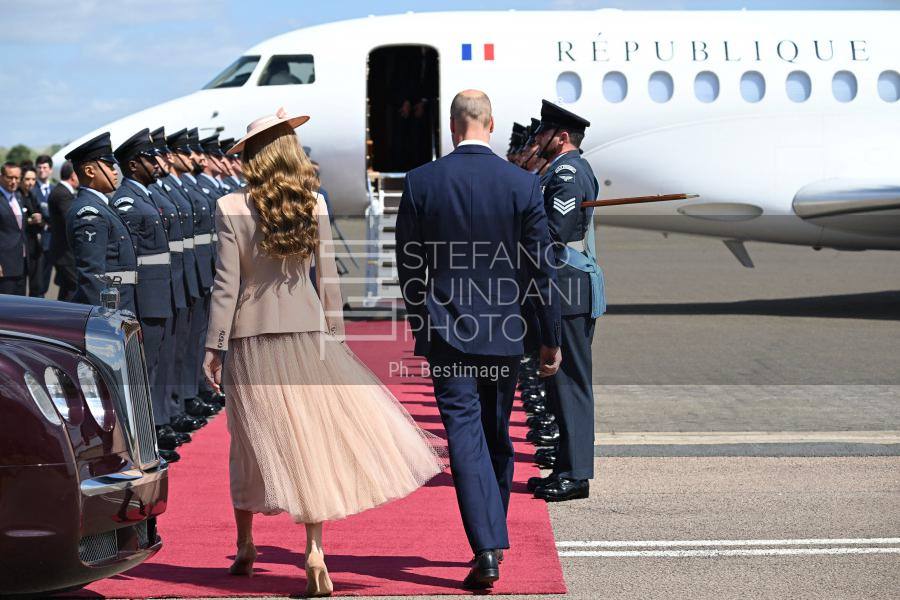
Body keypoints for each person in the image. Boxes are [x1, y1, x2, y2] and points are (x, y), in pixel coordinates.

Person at [200, 109, 444, 596]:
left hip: (251, 338)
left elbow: (226, 286)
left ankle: (245, 545)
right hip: (308, 334)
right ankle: (314, 549)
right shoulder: (312, 202)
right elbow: (328, 278)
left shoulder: (230, 206)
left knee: (248, 443)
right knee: (309, 442)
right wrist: (336, 336)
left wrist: (214, 346)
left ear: (253, 158)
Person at [396, 90, 562, 589]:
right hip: (504, 331)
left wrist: (423, 327)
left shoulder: (421, 181)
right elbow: (541, 269)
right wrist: (549, 336)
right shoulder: (522, 183)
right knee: (495, 435)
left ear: (452, 126)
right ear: (490, 124)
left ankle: (487, 545)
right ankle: (491, 539)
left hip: (448, 330)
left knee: (467, 438)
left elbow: (409, 268)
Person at [527, 100, 604, 503]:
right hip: (560, 286)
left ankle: (576, 474)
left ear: (560, 137)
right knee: (556, 384)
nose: (537, 139)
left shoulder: (569, 173)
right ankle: (564, 466)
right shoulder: (556, 171)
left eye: (543, 132)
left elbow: (554, 232)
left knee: (570, 381)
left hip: (569, 287)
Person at [111, 129, 182, 462]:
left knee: (151, 371)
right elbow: (129, 261)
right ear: (133, 164)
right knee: (142, 376)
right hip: (144, 300)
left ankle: (150, 436)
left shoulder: (145, 196)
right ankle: (140, 444)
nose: (157, 164)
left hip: (158, 296)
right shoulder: (126, 201)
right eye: (150, 160)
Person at [167, 128, 219, 420]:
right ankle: (180, 402)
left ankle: (191, 393)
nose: (194, 158)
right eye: (187, 153)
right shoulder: (177, 188)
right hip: (180, 276)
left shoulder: (190, 187)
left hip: (197, 271)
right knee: (178, 344)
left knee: (194, 337)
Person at [64, 132, 138, 313]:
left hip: (124, 303)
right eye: (109, 166)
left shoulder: (102, 205)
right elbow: (93, 276)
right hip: (113, 310)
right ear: (90, 171)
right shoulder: (90, 212)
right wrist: (106, 317)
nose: (115, 171)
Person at [47, 161, 79, 300]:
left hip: (63, 252)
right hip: (64, 254)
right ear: (73, 175)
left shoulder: (62, 192)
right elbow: (72, 219)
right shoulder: (62, 194)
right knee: (74, 287)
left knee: (66, 289)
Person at [19, 166, 47, 297]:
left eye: (33, 179)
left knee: (38, 286)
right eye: (27, 179)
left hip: (35, 246)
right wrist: (28, 221)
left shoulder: (32, 196)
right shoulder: (16, 197)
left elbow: (43, 218)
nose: (30, 183)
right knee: (19, 287)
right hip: (21, 248)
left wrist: (40, 220)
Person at [0, 162, 27, 295]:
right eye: (10, 177)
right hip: (4, 267)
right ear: (1, 177)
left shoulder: (18, 197)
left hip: (20, 264)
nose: (14, 181)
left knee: (20, 304)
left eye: (17, 178)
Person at [35, 154, 55, 293]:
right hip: (38, 243)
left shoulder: (55, 189)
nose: (42, 170)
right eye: (39, 167)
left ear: (50, 170)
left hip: (54, 242)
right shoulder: (31, 190)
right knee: (38, 285)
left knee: (47, 280)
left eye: (45, 167)